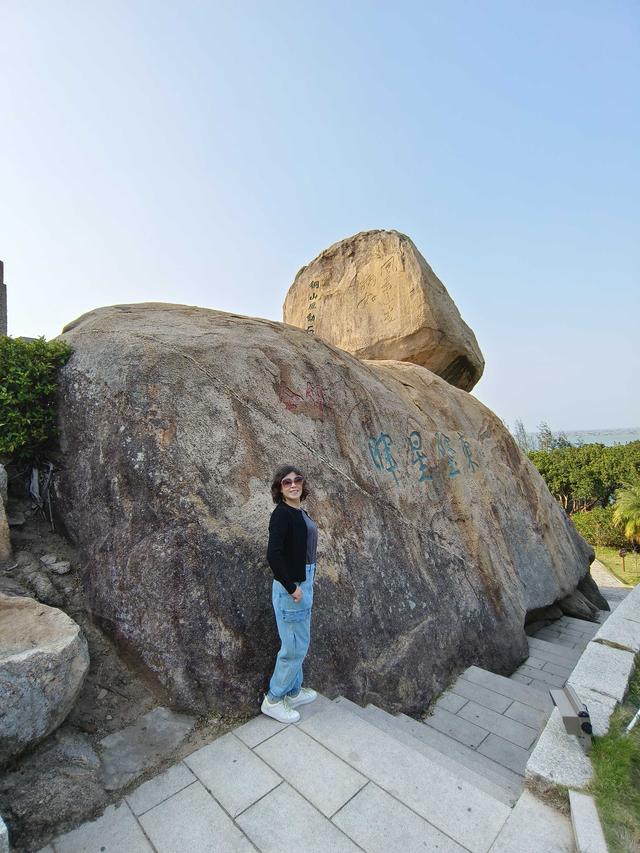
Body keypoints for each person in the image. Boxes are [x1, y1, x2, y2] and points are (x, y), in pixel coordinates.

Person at [261, 464, 318, 723]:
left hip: (303, 580)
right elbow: (273, 554)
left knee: (299, 641)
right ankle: (274, 699)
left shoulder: (298, 511)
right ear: (279, 488)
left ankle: (293, 692)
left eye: (298, 480)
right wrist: (292, 587)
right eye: (287, 482)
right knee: (294, 646)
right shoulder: (282, 514)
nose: (293, 484)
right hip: (292, 587)